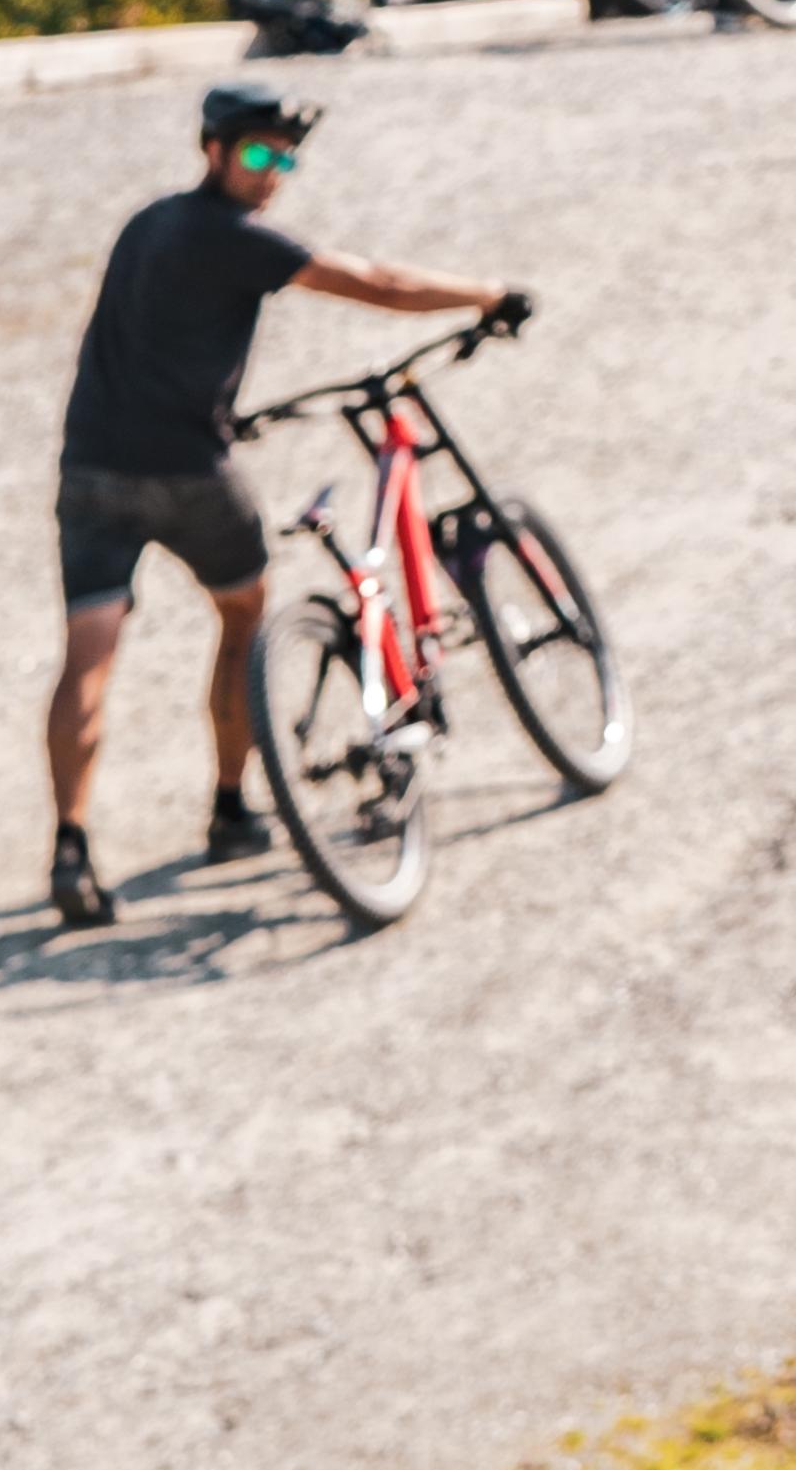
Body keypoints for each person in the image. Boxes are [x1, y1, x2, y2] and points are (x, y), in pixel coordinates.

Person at [44, 76, 517, 935]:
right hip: (190, 473)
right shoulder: (237, 238)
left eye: (287, 157)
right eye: (260, 153)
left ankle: (70, 846)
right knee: (244, 621)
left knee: (89, 653)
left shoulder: (147, 223)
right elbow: (374, 281)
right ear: (214, 151)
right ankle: (229, 809)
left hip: (91, 469)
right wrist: (484, 292)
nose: (275, 173)